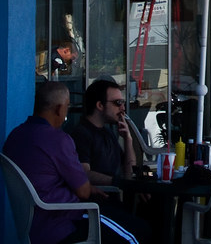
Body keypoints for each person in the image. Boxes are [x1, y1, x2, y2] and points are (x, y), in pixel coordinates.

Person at [2, 80, 149, 244]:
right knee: (139, 232)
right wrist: (89, 187)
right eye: (67, 107)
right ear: (59, 108)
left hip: (32, 227)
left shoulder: (14, 136)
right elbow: (83, 192)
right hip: (63, 224)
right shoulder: (58, 139)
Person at [69, 79, 137, 185]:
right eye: (118, 103)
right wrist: (115, 182)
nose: (122, 108)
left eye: (123, 103)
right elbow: (83, 173)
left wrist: (128, 140)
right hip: (96, 199)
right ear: (100, 105)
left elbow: (129, 172)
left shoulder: (108, 133)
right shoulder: (81, 134)